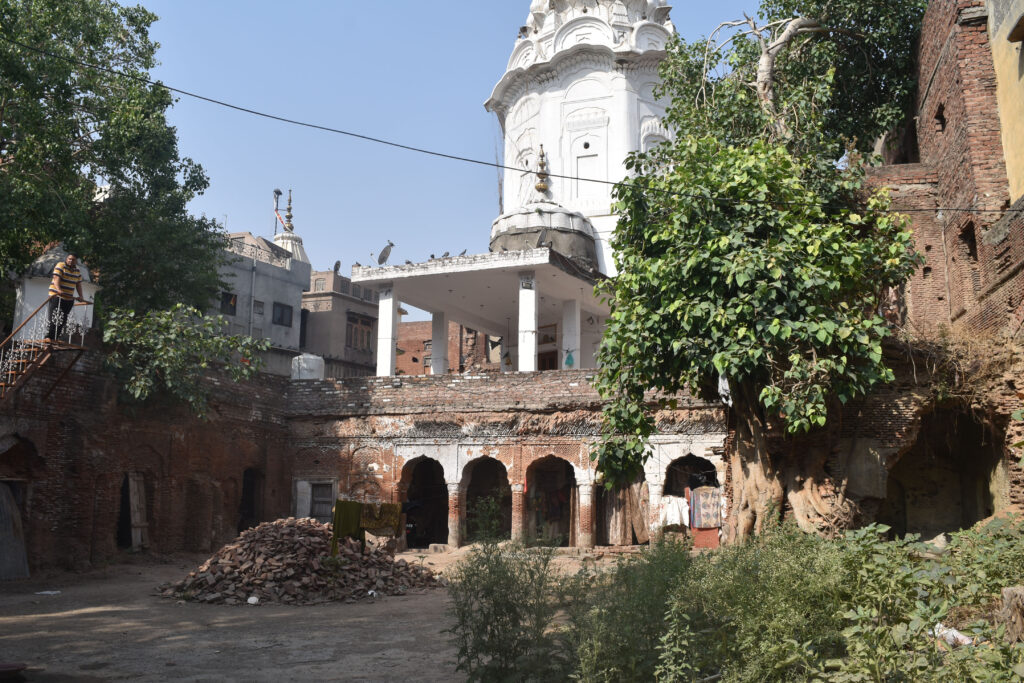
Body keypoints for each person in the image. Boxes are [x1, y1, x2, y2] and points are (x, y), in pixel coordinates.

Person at [46, 253, 85, 343]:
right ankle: (48, 337)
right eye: (69, 259)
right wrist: (59, 290)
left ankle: (55, 338)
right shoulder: (61, 265)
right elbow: (56, 278)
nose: (70, 261)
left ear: (76, 261)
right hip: (56, 296)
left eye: (73, 259)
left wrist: (81, 296)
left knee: (63, 319)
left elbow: (78, 284)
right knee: (54, 316)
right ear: (66, 259)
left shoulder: (77, 271)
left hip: (68, 298)